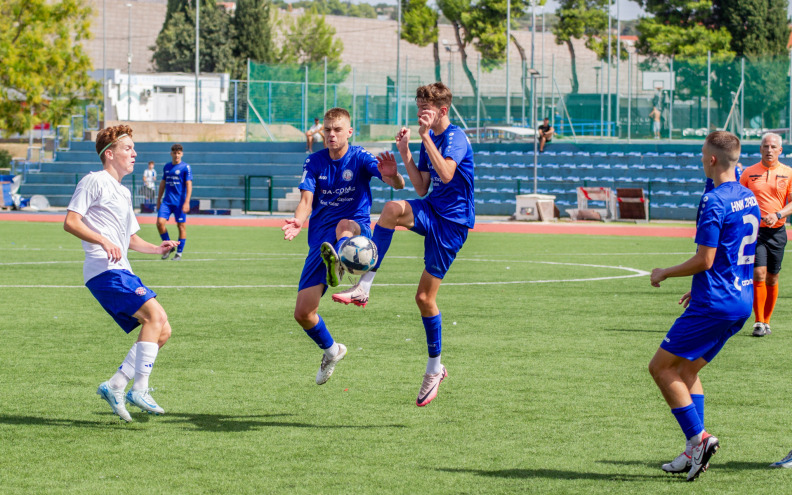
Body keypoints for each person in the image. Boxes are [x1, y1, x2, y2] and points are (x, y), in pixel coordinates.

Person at [332, 82, 475, 407]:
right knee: (393, 208)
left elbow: (449, 174)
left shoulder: (455, 137)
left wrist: (423, 138)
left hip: (452, 224)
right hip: (433, 209)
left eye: (426, 108)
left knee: (425, 298)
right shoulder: (429, 139)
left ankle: (435, 369)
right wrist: (407, 155)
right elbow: (423, 187)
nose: (419, 113)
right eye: (418, 107)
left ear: (442, 110)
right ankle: (364, 286)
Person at [649, 131, 759, 481]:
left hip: (716, 302)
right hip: (740, 301)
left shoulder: (713, 200)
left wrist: (665, 272)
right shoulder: (747, 195)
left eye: (702, 154)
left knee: (661, 368)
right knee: (687, 371)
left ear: (712, 160)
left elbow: (705, 259)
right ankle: (691, 449)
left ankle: (700, 439)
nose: (700, 159)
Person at [63, 125, 179, 422]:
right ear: (110, 153)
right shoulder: (94, 181)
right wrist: (103, 240)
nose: (134, 154)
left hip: (121, 269)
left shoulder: (124, 192)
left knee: (162, 330)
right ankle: (139, 388)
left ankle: (115, 385)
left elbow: (129, 239)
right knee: (155, 316)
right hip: (103, 270)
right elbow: (71, 222)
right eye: (128, 148)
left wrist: (157, 249)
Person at [282, 107, 404, 385]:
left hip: (356, 230)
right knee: (303, 313)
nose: (331, 135)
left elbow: (395, 183)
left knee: (344, 226)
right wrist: (299, 222)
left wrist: (394, 176)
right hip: (321, 242)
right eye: (327, 130)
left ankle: (339, 261)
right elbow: (305, 202)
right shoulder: (314, 162)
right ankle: (332, 350)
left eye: (337, 130)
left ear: (349, 132)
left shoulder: (360, 157)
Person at [739, 133, 792, 337]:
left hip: (778, 232)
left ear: (780, 150)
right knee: (758, 274)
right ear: (760, 149)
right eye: (765, 146)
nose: (769, 150)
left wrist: (777, 214)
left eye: (773, 147)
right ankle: (758, 321)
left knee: (772, 277)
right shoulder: (749, 173)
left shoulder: (788, 173)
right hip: (755, 233)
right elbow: (739, 200)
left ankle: (767, 321)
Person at [156, 144, 192, 261]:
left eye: (179, 153)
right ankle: (169, 246)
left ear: (181, 154)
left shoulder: (185, 167)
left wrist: (187, 202)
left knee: (181, 226)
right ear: (171, 153)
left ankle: (179, 253)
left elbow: (189, 184)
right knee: (159, 223)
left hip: (180, 203)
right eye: (174, 153)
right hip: (167, 202)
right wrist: (158, 200)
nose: (176, 155)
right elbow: (162, 183)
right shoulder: (167, 167)